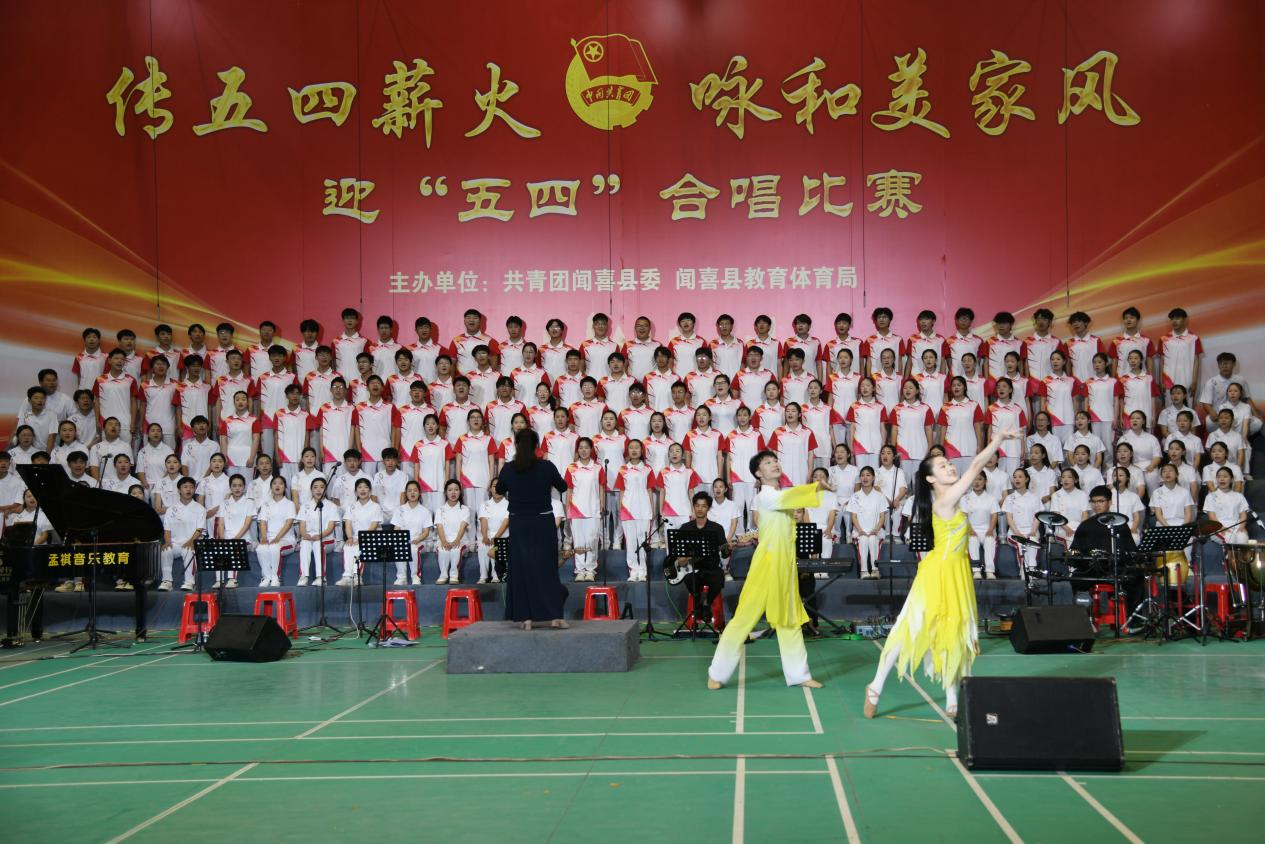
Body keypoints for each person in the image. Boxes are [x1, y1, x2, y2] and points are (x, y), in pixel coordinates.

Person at [865, 426, 1020, 719]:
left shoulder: (953, 500)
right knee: (908, 630)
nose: (949, 466)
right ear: (930, 479)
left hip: (957, 574)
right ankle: (875, 686)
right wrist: (998, 439)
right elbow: (976, 465)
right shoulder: (944, 502)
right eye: (942, 466)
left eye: (948, 463)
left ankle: (952, 699)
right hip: (937, 573)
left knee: (953, 632)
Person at [707, 450, 824, 690]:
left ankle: (799, 675)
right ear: (758, 474)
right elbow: (791, 497)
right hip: (766, 565)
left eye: (775, 461)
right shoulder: (765, 497)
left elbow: (791, 511)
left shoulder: (782, 496)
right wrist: (817, 487)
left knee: (789, 620)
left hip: (785, 566)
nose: (774, 464)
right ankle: (716, 674)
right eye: (768, 463)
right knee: (744, 619)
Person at [495, 428, 569, 629]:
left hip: (519, 523)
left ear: (516, 445)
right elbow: (563, 486)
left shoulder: (509, 468)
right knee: (547, 568)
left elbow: (499, 490)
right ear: (537, 446)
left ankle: (526, 618)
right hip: (543, 522)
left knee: (521, 569)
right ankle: (556, 616)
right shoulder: (546, 466)